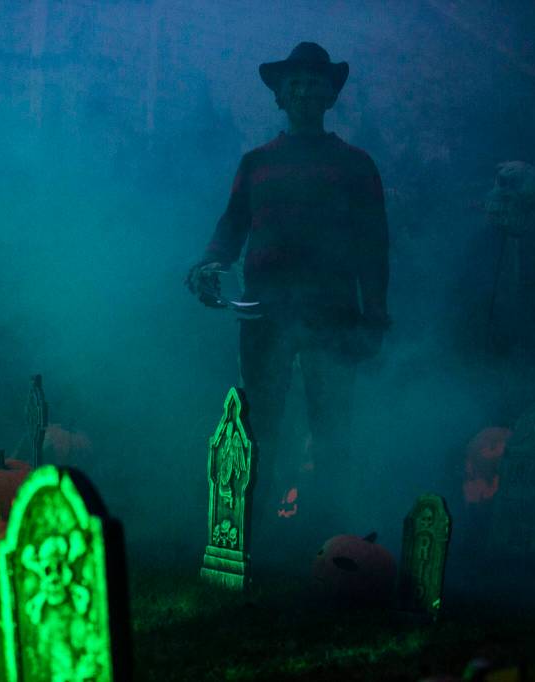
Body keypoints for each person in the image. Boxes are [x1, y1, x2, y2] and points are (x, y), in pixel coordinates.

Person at [186, 42, 390, 538]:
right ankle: (252, 531)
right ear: (279, 96)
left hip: (332, 314)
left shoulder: (355, 165)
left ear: (330, 97)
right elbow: (232, 225)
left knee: (332, 427)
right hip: (266, 313)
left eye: (314, 84)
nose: (302, 93)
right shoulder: (256, 163)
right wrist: (209, 263)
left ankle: (329, 534)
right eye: (293, 84)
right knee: (259, 425)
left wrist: (374, 316)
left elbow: (373, 246)